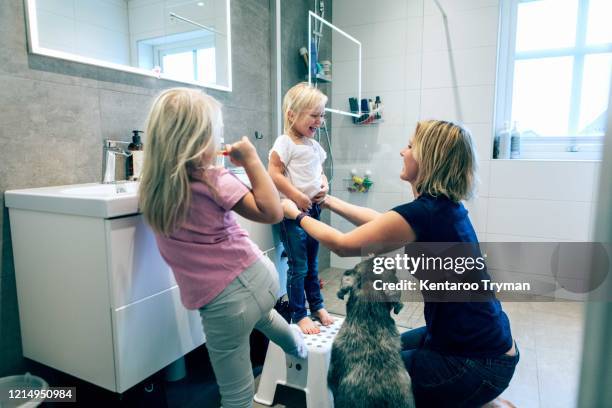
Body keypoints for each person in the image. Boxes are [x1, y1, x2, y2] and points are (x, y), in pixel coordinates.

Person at [282, 120, 519, 407]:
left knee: (367, 375)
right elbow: (381, 223)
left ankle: (478, 396)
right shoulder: (442, 207)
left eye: (410, 146)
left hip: (476, 362)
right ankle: (478, 399)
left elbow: (343, 246)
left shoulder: (428, 212)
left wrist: (296, 215)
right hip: (485, 345)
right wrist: (328, 200)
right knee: (380, 346)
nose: (402, 152)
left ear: (428, 158)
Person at [138, 88, 307, 408]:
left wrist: (255, 162)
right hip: (260, 278)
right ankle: (296, 346)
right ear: (200, 140)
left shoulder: (153, 187)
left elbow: (272, 213)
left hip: (223, 305)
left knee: (236, 394)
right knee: (262, 315)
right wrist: (251, 161)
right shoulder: (213, 178)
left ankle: (293, 346)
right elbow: (271, 210)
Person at [268, 82, 334, 334]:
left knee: (312, 263)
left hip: (313, 211)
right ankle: (299, 313)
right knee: (299, 266)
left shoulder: (314, 146)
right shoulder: (285, 142)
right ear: (292, 115)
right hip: (292, 215)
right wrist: (296, 195)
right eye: (314, 115)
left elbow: (321, 174)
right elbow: (273, 173)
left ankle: (316, 305)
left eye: (322, 115)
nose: (320, 121)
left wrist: (324, 187)